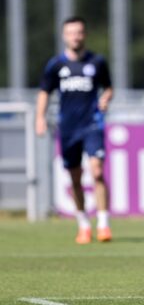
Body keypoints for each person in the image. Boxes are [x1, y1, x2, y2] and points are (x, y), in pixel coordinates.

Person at [35, 16, 114, 244]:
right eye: (71, 33)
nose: (75, 37)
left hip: (92, 124)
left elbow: (108, 88)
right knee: (75, 178)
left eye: (79, 32)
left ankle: (103, 224)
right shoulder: (56, 65)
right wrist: (39, 117)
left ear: (84, 35)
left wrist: (106, 98)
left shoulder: (97, 62)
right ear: (64, 36)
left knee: (97, 172)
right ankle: (83, 224)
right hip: (68, 128)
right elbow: (44, 92)